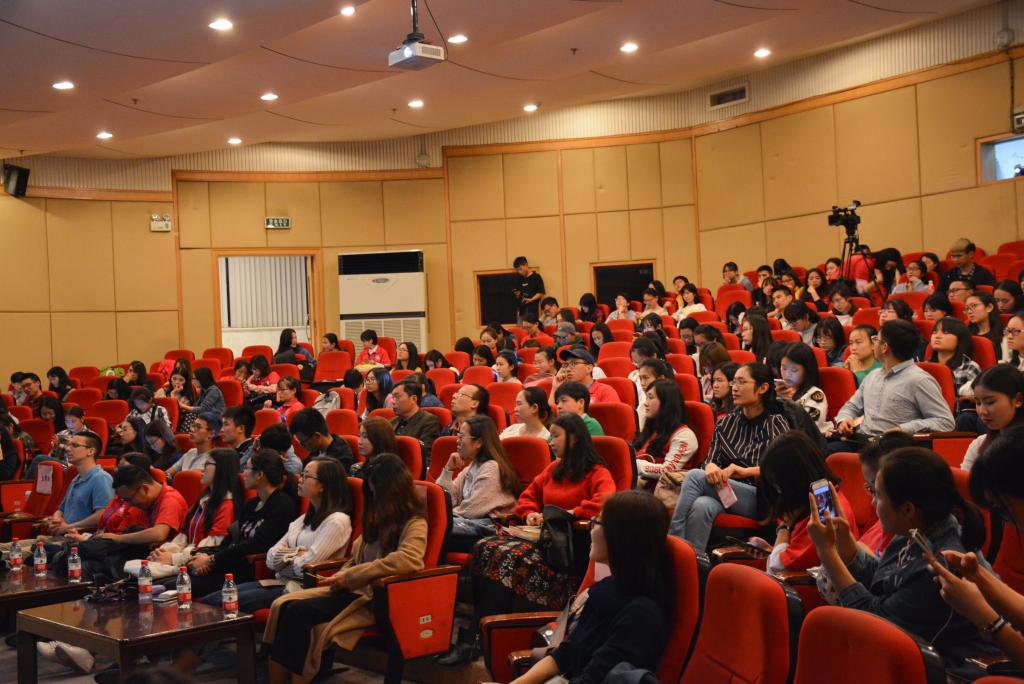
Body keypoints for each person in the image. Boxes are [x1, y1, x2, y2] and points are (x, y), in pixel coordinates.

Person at [807, 446, 991, 661]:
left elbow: (875, 621)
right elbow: (884, 579)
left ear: (908, 509)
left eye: (877, 495)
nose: (872, 502)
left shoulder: (937, 566)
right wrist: (844, 542)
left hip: (944, 666)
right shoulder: (918, 528)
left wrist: (827, 552)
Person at [263, 455, 421, 683]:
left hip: (373, 597)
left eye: (377, 491)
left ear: (393, 489)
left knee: (296, 613)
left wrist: (351, 575)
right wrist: (342, 573)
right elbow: (356, 557)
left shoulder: (414, 521)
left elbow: (408, 559)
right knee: (284, 606)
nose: (374, 497)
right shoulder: (377, 517)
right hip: (351, 588)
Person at [501, 491, 673, 684]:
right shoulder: (608, 589)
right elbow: (567, 653)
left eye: (596, 522)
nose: (590, 529)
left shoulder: (641, 615)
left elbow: (591, 679)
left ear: (620, 535)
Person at [471, 415, 615, 620]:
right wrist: (530, 513)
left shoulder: (597, 472)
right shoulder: (554, 469)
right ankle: (487, 624)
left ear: (574, 438)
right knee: (484, 546)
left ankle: (493, 623)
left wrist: (571, 514)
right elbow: (527, 497)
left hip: (569, 546)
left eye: (556, 436)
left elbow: (605, 502)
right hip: (543, 538)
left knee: (505, 556)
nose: (550, 442)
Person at [207, 457, 352, 618]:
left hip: (302, 589)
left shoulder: (337, 521)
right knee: (211, 599)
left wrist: (284, 560)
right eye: (301, 474)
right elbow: (271, 556)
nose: (300, 479)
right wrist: (297, 553)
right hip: (280, 581)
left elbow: (305, 568)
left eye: (306, 476)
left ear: (323, 485)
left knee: (224, 601)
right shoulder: (304, 519)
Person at [668, 363, 792, 549]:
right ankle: (695, 560)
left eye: (742, 382)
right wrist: (710, 466)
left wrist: (744, 471)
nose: (734, 387)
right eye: (734, 382)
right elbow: (711, 460)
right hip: (726, 492)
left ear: (763, 388)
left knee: (694, 477)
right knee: (702, 505)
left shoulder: (776, 423)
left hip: (762, 498)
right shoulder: (726, 423)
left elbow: (783, 469)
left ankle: (673, 541)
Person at [831, 320, 955, 450]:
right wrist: (844, 420)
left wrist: (903, 429)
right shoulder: (873, 376)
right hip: (861, 440)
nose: (874, 343)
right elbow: (852, 406)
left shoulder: (919, 380)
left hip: (893, 448)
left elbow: (945, 421)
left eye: (876, 339)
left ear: (884, 347)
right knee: (825, 451)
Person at [757, 432, 855, 574]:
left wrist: (784, 528)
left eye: (777, 485)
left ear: (793, 480)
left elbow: (776, 569)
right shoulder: (823, 497)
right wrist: (772, 550)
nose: (779, 492)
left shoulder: (825, 514)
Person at [147, 449, 240, 583]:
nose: (202, 468)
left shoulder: (227, 505)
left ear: (222, 469)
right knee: (142, 574)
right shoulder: (204, 499)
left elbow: (213, 548)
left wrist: (173, 558)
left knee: (161, 584)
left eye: (208, 464)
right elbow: (185, 535)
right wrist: (163, 552)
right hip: (186, 559)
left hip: (203, 566)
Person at [439, 415, 520, 547]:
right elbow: (445, 499)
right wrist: (448, 469)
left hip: (490, 529)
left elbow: (472, 510)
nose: (457, 441)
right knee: (432, 525)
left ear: (479, 442)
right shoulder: (473, 466)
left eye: (462, 437)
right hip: (471, 523)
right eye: (458, 436)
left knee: (436, 528)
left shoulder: (491, 467)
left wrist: (441, 515)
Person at [39, 430, 114, 536]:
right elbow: (61, 510)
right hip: (64, 536)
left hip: (81, 539)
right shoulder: (76, 479)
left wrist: (68, 527)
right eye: (68, 445)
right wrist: (56, 521)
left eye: (74, 445)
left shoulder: (101, 478)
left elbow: (102, 515)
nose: (67, 449)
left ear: (90, 451)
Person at [960, 365, 1024, 470]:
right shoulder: (979, 444)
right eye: (978, 403)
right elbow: (965, 479)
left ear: (1018, 400)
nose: (982, 411)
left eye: (990, 402)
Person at [634, 380, 697, 477]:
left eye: (651, 397)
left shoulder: (684, 436)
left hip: (664, 485)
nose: (645, 403)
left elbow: (668, 470)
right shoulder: (655, 428)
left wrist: (633, 464)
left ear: (666, 403)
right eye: (646, 397)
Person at [928, 317, 981, 412]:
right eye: (935, 332)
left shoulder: (969, 368)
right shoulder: (925, 367)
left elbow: (973, 402)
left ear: (959, 339)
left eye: (945, 332)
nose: (937, 336)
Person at [776, 342, 829, 433]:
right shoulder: (777, 391)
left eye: (794, 370)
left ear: (807, 370)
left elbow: (808, 428)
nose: (787, 374)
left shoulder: (815, 394)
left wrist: (789, 403)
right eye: (784, 368)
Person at [389, 379, 440, 472]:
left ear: (413, 399)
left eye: (397, 397)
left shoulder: (429, 421)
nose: (393, 401)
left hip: (408, 470)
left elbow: (423, 454)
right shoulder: (392, 422)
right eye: (393, 397)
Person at [288, 407, 356, 472]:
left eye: (303, 443)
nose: (302, 447)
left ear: (317, 436)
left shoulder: (340, 459)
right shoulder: (317, 450)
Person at [551, 347, 619, 405]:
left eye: (574, 363)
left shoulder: (605, 391)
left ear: (588, 368)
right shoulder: (565, 392)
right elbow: (552, 413)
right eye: (566, 365)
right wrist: (555, 388)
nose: (568, 369)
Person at [166, 413, 220, 480]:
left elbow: (188, 481)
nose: (192, 430)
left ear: (211, 434)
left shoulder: (212, 459)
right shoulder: (191, 452)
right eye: (193, 425)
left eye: (198, 427)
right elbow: (168, 473)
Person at [965, 291, 1003, 361]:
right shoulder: (966, 334)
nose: (969, 311)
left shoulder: (1003, 333)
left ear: (989, 307)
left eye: (974, 306)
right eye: (967, 308)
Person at [512, 256, 546, 323]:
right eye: (517, 270)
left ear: (526, 265)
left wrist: (531, 299)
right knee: (521, 328)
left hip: (532, 311)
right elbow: (517, 294)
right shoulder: (519, 279)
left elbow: (541, 293)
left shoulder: (536, 277)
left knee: (531, 327)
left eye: (520, 269)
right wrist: (517, 294)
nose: (519, 272)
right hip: (521, 311)